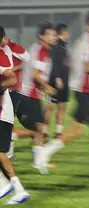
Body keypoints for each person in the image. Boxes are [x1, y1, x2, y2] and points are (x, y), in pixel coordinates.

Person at [37, 11, 89, 177]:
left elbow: (73, 62)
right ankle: (44, 153)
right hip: (84, 91)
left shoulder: (86, 39)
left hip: (84, 90)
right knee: (76, 130)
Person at [16, 22, 57, 168]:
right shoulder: (41, 51)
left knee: (39, 131)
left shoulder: (40, 49)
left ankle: (38, 161)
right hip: (29, 95)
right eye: (50, 35)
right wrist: (47, 87)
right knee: (38, 130)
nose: (54, 37)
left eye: (54, 35)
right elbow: (35, 73)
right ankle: (10, 138)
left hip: (28, 94)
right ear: (42, 36)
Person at [0, 25, 30, 205]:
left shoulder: (2, 56)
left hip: (3, 111)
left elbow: (12, 78)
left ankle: (5, 186)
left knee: (1, 153)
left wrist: (1, 88)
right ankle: (19, 190)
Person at [0, 32, 31, 160]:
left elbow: (29, 61)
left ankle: (9, 152)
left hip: (14, 88)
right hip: (6, 88)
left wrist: (13, 69)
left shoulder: (14, 47)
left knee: (8, 120)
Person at [43, 23, 71, 140]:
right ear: (63, 33)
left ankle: (59, 132)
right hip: (56, 81)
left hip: (64, 81)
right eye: (67, 32)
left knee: (62, 106)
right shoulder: (56, 45)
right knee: (51, 106)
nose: (69, 34)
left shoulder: (64, 45)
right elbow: (54, 62)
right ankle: (43, 131)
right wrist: (57, 78)